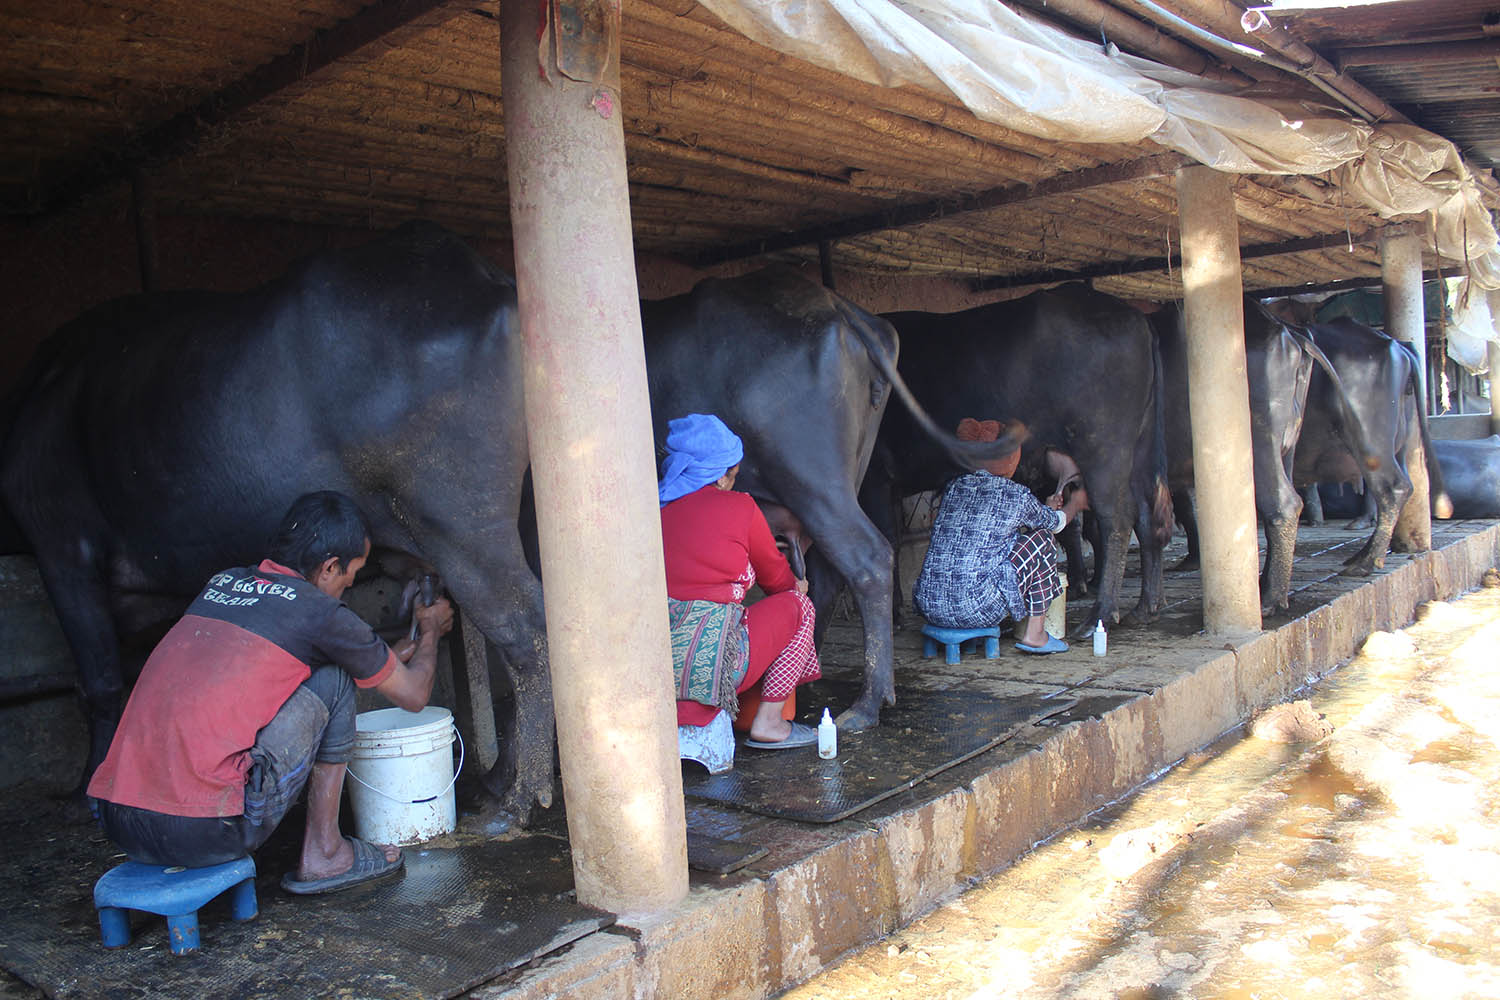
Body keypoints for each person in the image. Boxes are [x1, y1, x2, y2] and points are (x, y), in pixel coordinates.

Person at [87, 491, 455, 894]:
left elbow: (343, 664)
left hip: (119, 820)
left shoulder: (222, 583)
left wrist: (401, 646)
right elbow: (414, 694)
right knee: (334, 678)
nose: (349, 585)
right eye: (353, 573)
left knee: (329, 669)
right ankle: (325, 854)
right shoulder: (319, 612)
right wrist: (432, 628)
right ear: (330, 567)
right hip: (203, 831)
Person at [658, 413, 822, 749]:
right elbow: (779, 582)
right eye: (733, 475)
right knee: (799, 607)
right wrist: (797, 587)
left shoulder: (650, 510)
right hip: (716, 670)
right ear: (719, 478)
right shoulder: (740, 508)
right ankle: (770, 722)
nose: (734, 482)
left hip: (653, 669)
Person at [914, 418, 1088, 654]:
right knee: (1043, 538)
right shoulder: (1014, 494)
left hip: (930, 604)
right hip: (976, 607)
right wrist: (1075, 504)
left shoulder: (955, 487)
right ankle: (1035, 634)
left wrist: (1045, 507)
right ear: (1009, 457)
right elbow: (1054, 524)